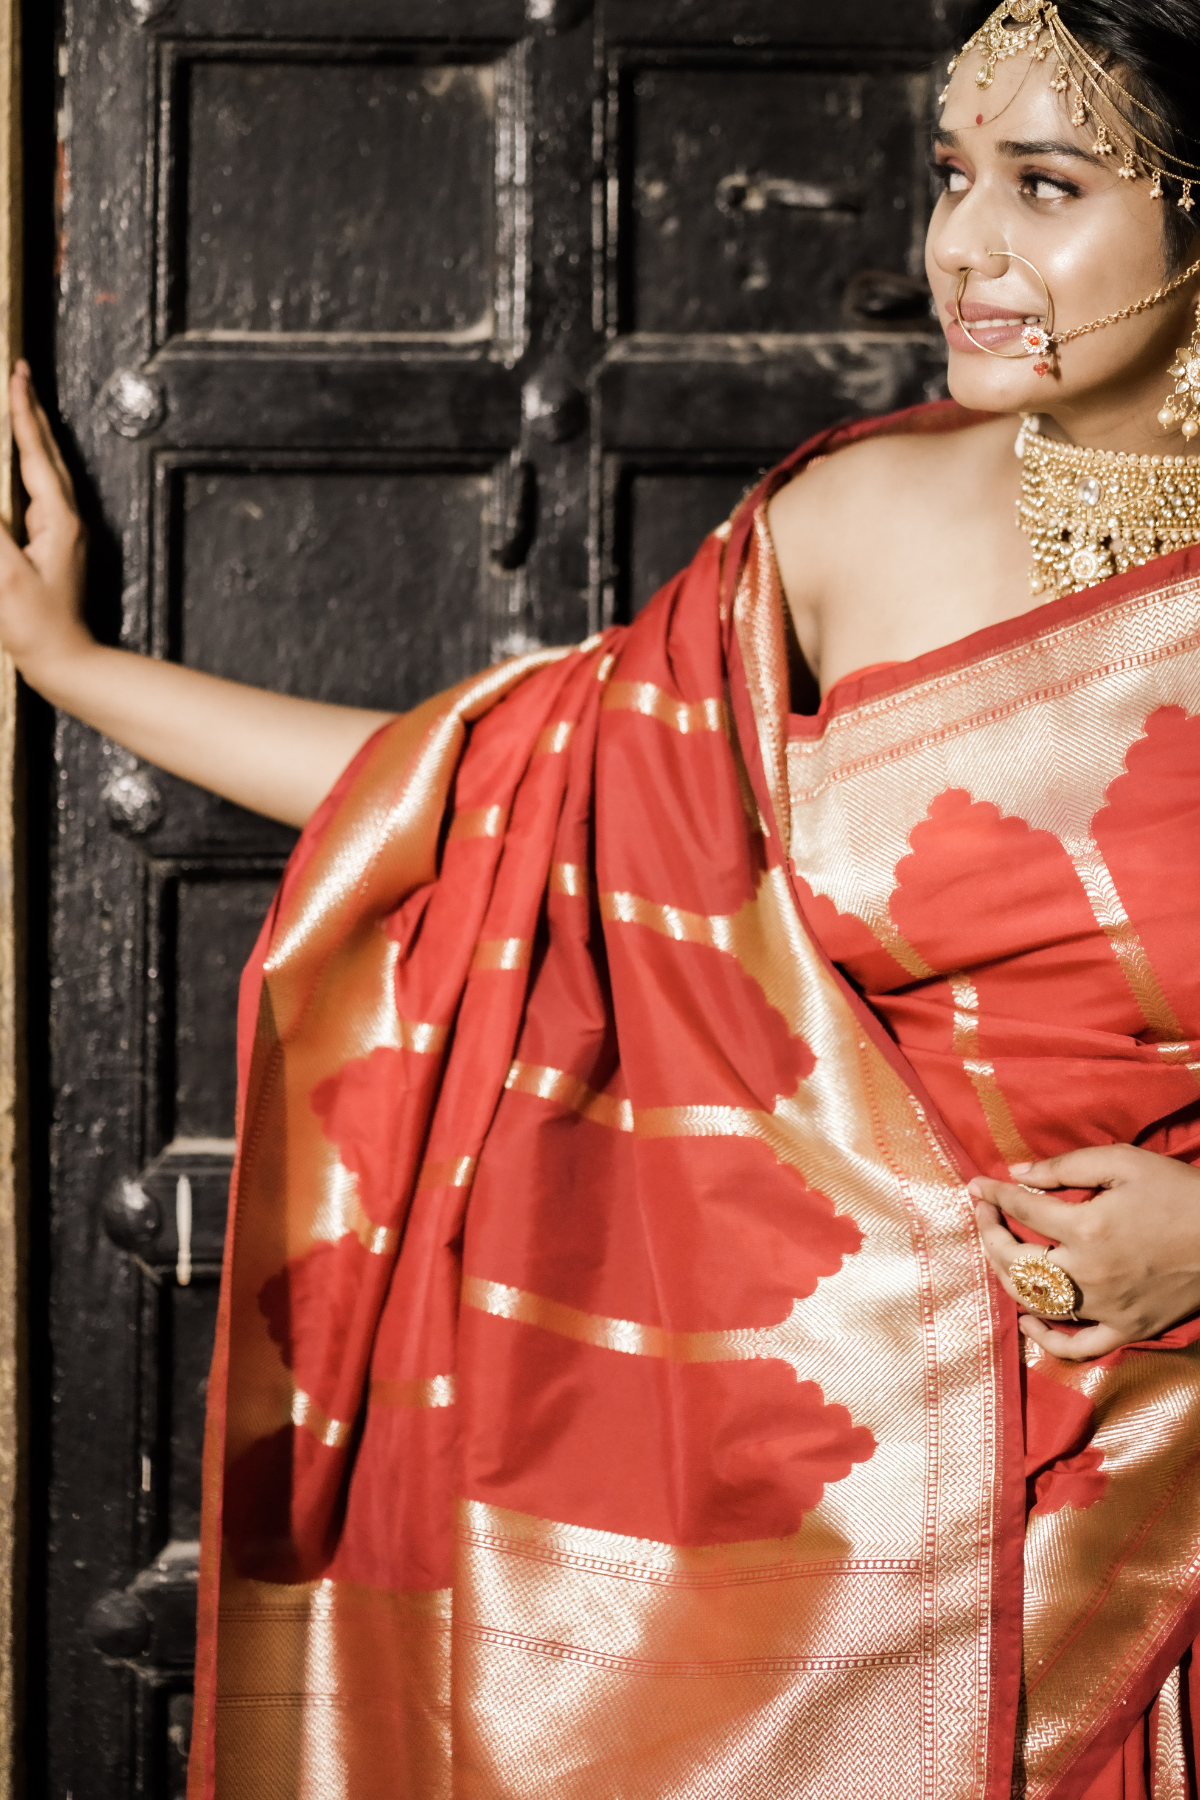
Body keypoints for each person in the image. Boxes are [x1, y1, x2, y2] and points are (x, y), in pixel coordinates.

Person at [6, 0, 1200, 1792]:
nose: (963, 247)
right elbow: (485, 803)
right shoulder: (851, 531)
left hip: (1166, 1506)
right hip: (837, 1495)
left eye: (1046, 187)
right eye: (954, 177)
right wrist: (73, 667)